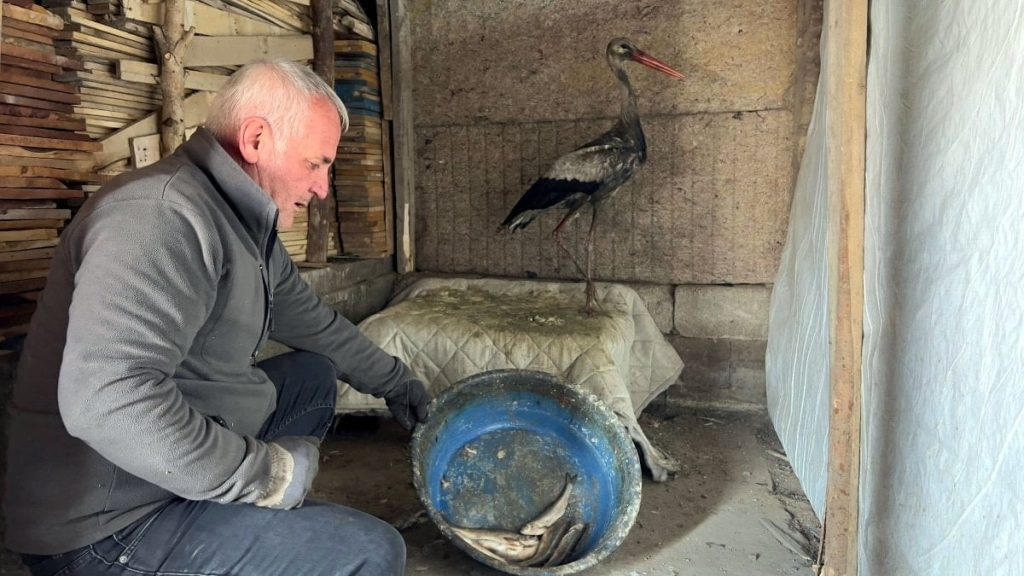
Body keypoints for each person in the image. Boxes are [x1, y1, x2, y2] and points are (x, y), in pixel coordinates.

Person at [3, 59, 430, 576]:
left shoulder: (242, 223)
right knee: (370, 551)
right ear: (255, 140)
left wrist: (396, 382)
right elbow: (106, 398)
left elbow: (312, 321)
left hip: (169, 457)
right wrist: (266, 474)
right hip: (106, 524)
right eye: (316, 163)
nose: (322, 187)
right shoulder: (160, 215)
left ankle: (227, 510)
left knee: (313, 375)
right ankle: (229, 516)